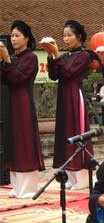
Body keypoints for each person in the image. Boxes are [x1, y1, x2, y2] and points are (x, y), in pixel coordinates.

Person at [42, 20, 93, 190]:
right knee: (64, 134)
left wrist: (56, 54)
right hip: (63, 97)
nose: (65, 39)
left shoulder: (84, 56)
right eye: (64, 35)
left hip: (74, 96)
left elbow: (68, 73)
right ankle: (71, 175)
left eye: (69, 35)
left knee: (76, 131)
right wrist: (51, 55)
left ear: (79, 37)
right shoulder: (65, 56)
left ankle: (82, 177)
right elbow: (54, 75)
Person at [0, 20, 44, 198]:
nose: (13, 39)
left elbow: (18, 78)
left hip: (23, 104)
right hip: (11, 103)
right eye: (11, 35)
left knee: (24, 142)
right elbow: (4, 78)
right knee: (13, 142)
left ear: (26, 38)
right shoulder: (14, 58)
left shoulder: (31, 58)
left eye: (17, 35)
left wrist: (7, 60)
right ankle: (17, 187)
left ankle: (28, 188)